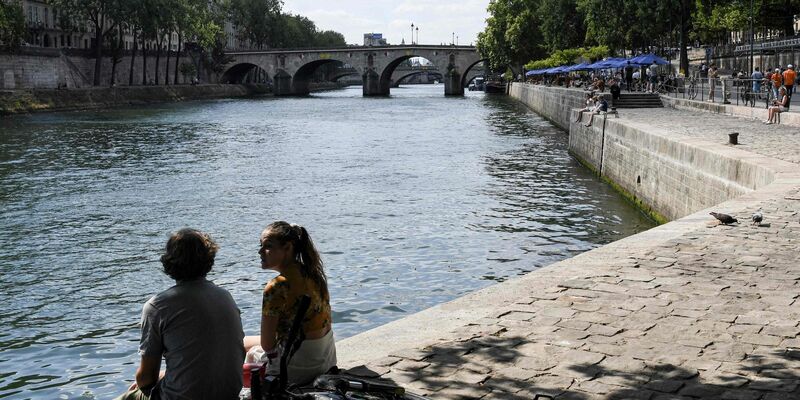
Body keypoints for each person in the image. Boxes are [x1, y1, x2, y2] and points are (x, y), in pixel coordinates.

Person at [116, 229, 245, 400]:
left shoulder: (157, 307)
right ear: (209, 259)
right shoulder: (224, 296)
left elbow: (146, 378)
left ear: (169, 261)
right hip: (229, 394)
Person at [243, 222, 336, 386]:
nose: (260, 251)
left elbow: (267, 344)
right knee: (242, 340)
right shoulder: (314, 274)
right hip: (325, 359)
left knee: (241, 346)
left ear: (287, 247)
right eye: (261, 246)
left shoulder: (277, 286)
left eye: (267, 246)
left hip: (296, 367)